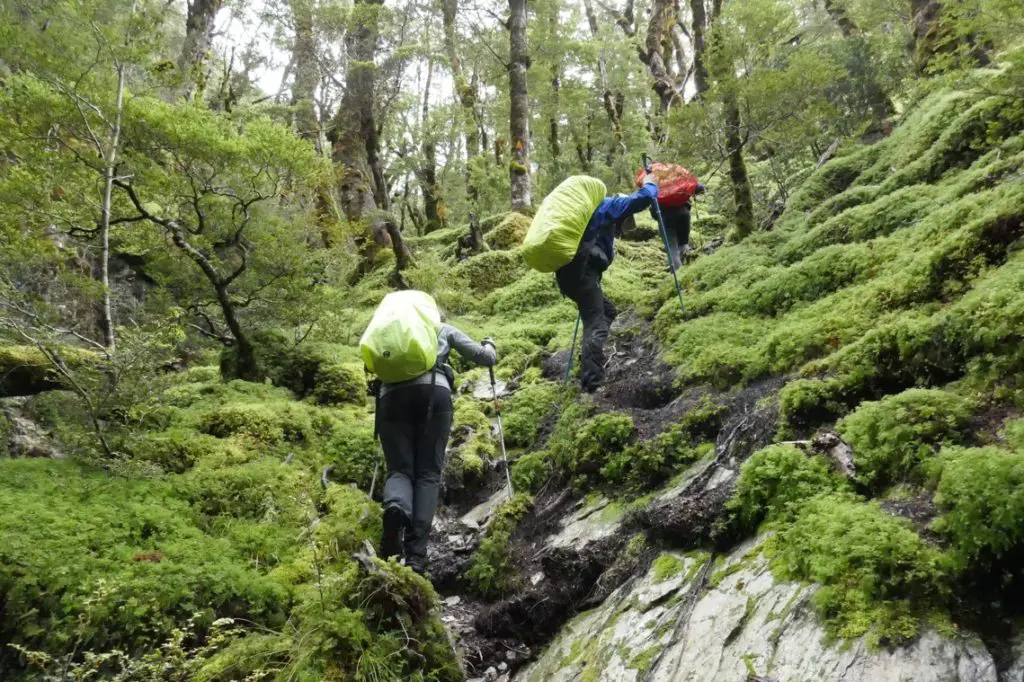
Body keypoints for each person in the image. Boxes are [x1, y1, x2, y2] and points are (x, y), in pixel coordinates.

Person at [377, 323, 497, 576]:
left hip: (390, 399)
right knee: (428, 475)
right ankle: (416, 558)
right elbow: (484, 357)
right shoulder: (440, 327)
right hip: (434, 393)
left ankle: (396, 507)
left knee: (399, 470)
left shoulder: (387, 331)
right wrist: (490, 345)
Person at [556, 175, 659, 393]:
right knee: (597, 325)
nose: (620, 231)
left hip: (571, 275)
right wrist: (650, 182)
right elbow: (643, 198)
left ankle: (589, 358)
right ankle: (592, 382)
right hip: (583, 274)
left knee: (607, 311)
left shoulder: (589, 217)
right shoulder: (609, 206)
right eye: (622, 224)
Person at [657, 181, 706, 271]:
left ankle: (678, 274)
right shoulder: (681, 181)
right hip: (684, 215)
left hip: (666, 219)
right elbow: (700, 187)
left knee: (672, 248)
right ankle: (689, 269)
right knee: (683, 244)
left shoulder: (656, 187)